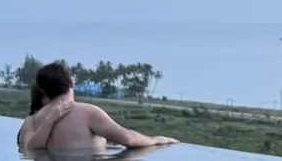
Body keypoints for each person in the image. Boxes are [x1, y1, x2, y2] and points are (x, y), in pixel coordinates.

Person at [16, 62, 179, 152]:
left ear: (42, 90)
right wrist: (156, 140)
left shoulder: (30, 122)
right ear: (72, 83)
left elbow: (30, 151)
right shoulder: (88, 113)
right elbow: (129, 139)